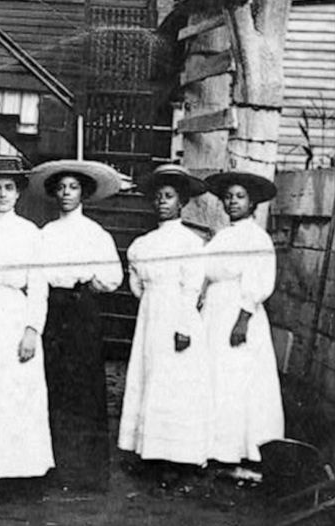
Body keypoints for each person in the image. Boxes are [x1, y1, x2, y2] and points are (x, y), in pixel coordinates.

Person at [29, 159, 124, 492]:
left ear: (83, 193)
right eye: (62, 188)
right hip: (54, 311)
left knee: (84, 388)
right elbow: (37, 276)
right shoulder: (45, 234)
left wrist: (86, 285)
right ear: (54, 194)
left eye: (73, 188)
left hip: (82, 311)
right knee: (54, 384)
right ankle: (55, 465)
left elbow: (114, 277)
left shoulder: (94, 234)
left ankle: (86, 471)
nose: (67, 194)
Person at [117, 164, 213, 486]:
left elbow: (192, 287)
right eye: (158, 197)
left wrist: (184, 325)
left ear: (181, 202)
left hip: (178, 316)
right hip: (151, 317)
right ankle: (150, 453)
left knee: (174, 384)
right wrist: (151, 301)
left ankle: (177, 458)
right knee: (149, 379)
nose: (162, 202)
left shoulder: (190, 243)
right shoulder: (143, 245)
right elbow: (136, 286)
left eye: (169, 197)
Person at [0, 156, 53, 488]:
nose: (2, 195)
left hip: (16, 314)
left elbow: (38, 284)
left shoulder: (30, 233)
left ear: (18, 194)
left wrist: (32, 329)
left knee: (17, 393)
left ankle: (19, 472)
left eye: (9, 188)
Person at [201, 171, 284, 479]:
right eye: (229, 196)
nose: (232, 202)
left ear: (253, 204)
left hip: (238, 313)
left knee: (236, 379)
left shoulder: (256, 238)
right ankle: (214, 446)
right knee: (215, 376)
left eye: (240, 197)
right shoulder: (223, 235)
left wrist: (243, 319)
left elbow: (259, 280)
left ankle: (239, 449)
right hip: (215, 310)